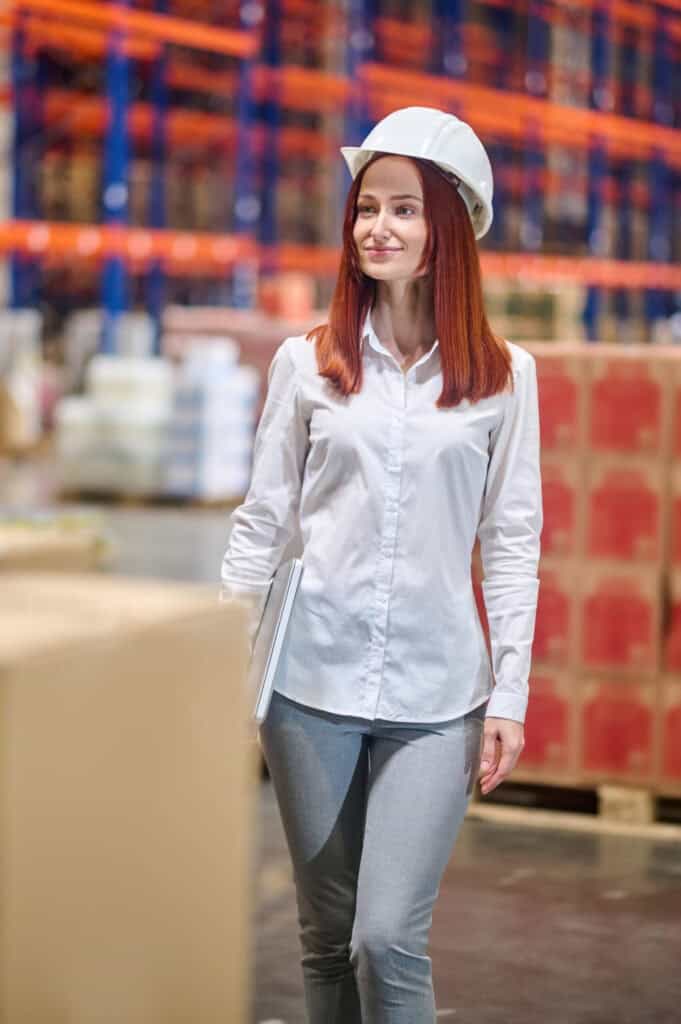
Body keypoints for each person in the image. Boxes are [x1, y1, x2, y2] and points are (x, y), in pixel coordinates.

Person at [221, 106, 543, 1023]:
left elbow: (512, 542)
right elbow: (262, 523)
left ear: (446, 230)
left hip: (437, 699)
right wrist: (219, 658)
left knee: (385, 937)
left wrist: (510, 694)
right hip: (308, 682)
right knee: (325, 942)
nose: (379, 227)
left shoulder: (502, 376)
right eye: (368, 207)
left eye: (404, 209)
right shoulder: (306, 362)